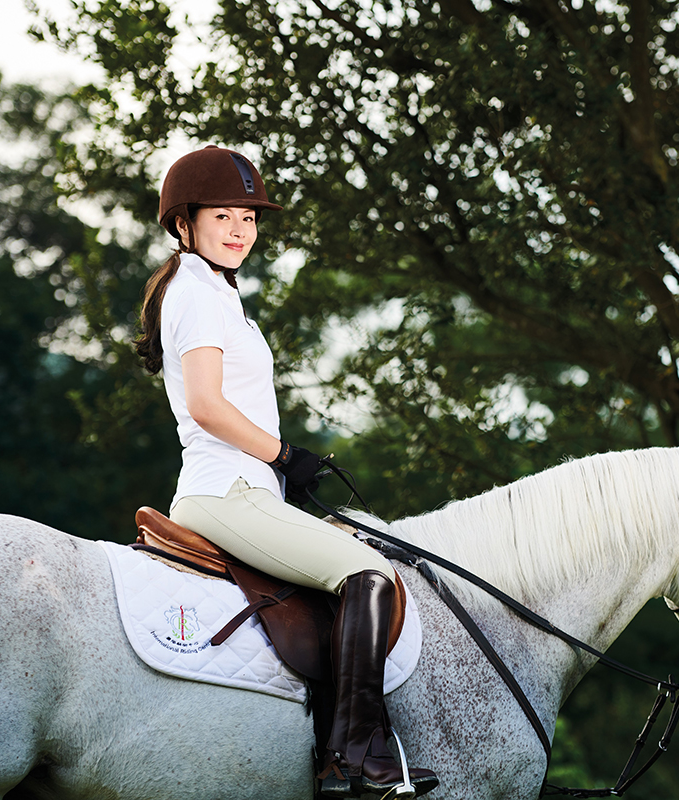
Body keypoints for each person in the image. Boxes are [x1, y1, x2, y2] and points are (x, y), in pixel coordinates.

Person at [134, 145, 439, 798]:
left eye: (249, 216)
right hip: (226, 490)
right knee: (367, 572)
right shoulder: (195, 290)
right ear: (185, 222)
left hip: (247, 489)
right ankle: (355, 754)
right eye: (224, 215)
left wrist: (278, 471)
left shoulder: (213, 289)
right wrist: (282, 455)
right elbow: (208, 405)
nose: (241, 229)